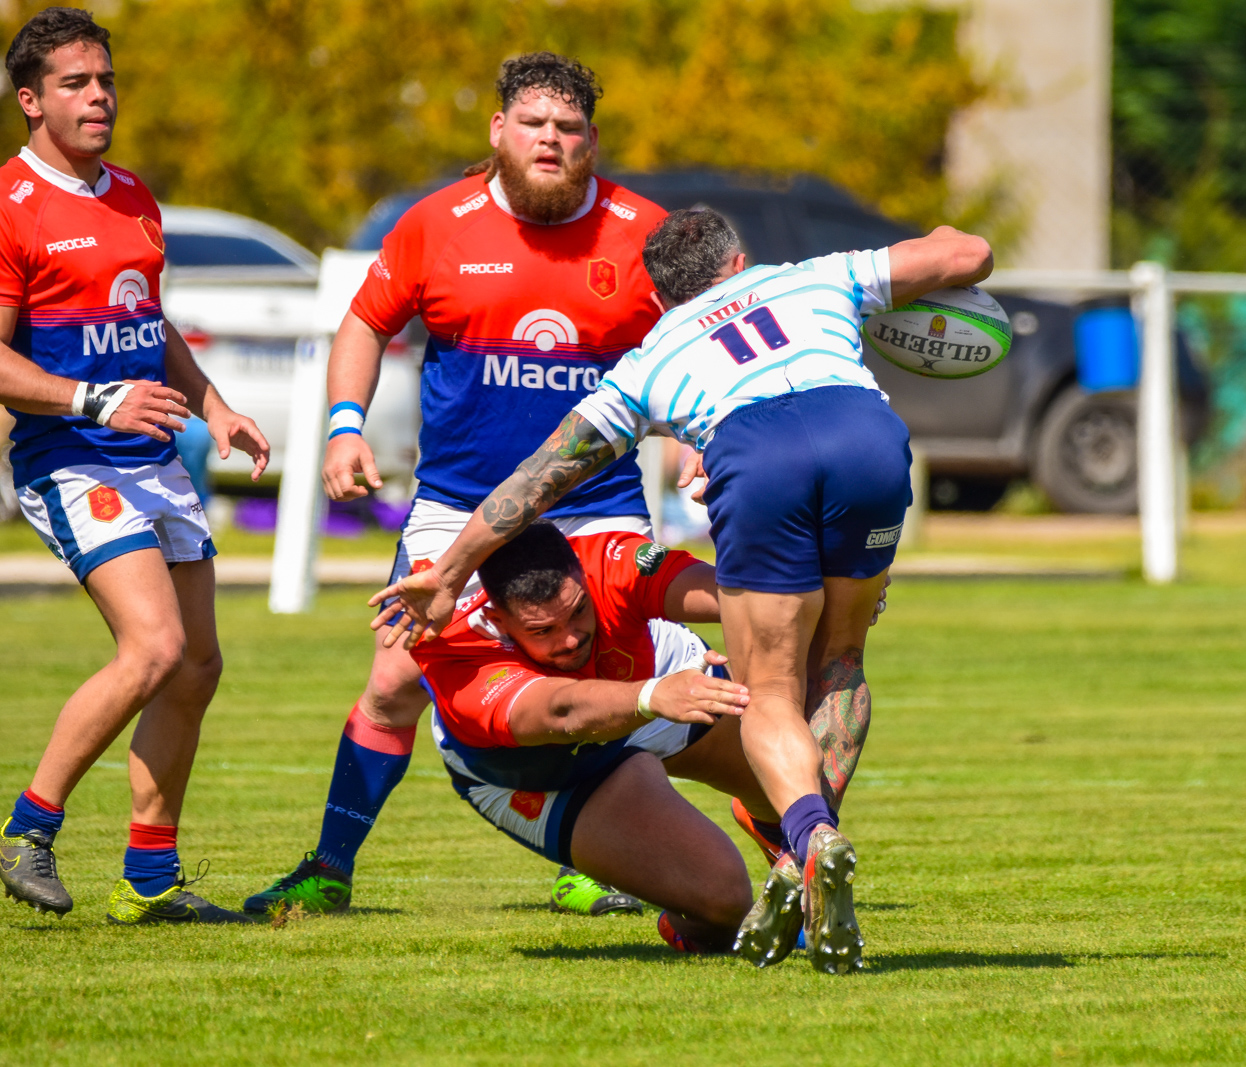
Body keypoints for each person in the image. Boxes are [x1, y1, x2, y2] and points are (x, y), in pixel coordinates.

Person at [376, 207, 992, 972]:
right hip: (864, 432)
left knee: (771, 688)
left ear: (660, 298)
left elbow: (539, 477)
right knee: (840, 658)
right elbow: (969, 253)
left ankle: (809, 839)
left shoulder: (649, 358)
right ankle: (803, 845)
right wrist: (941, 242)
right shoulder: (815, 277)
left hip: (756, 454)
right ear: (739, 263)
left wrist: (452, 568)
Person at [244, 52, 670, 916]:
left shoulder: (642, 231)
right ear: (499, 130)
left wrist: (699, 438)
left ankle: (596, 859)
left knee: (603, 668)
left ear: (591, 141)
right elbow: (365, 323)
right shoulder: (437, 223)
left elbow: (701, 339)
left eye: (568, 128)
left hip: (594, 504)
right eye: (533, 124)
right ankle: (330, 866)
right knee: (395, 678)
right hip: (455, 502)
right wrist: (345, 424)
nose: (550, 140)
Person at [0, 8, 269, 925]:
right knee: (152, 647)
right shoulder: (11, 204)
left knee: (196, 664)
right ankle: (27, 828)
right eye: (75, 83)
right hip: (70, 455)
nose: (99, 97)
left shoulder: (134, 197)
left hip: (151, 454)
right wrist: (92, 400)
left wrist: (215, 404)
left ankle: (150, 879)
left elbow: (147, 325)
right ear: (30, 100)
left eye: (106, 80)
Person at [405, 521, 765, 952]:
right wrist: (652, 695)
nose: (570, 639)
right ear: (499, 621)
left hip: (651, 682)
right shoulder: (456, 648)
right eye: (542, 631)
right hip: (538, 770)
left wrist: (818, 586)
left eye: (578, 611)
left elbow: (741, 595)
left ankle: (777, 835)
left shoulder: (608, 561)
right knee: (724, 902)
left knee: (794, 771)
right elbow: (561, 712)